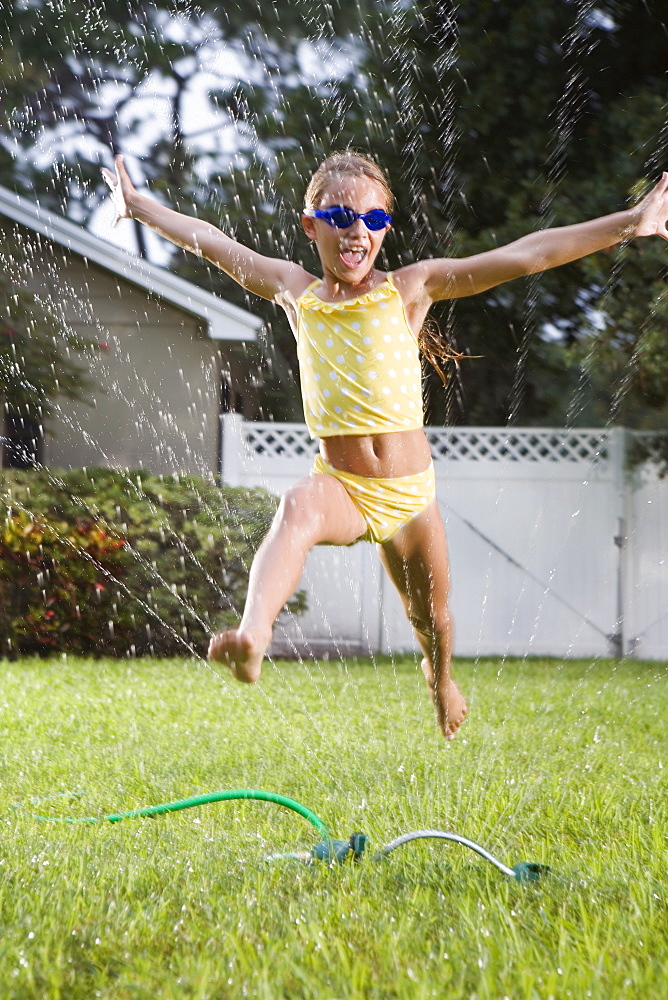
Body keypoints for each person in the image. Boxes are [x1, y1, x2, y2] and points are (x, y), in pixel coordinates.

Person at [102, 150, 668, 741]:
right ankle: (253, 638)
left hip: (413, 495)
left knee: (433, 618)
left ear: (384, 231)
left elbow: (528, 254)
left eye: (373, 220)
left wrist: (631, 222)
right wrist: (141, 207)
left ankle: (440, 679)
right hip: (344, 487)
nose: (356, 229)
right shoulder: (295, 292)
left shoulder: (409, 289)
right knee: (295, 507)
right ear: (310, 224)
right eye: (341, 215)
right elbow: (211, 243)